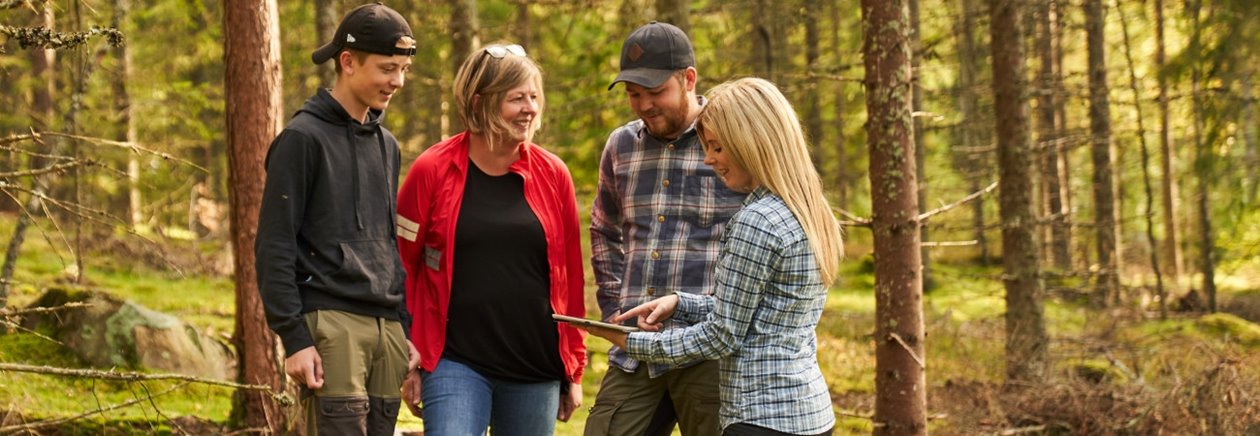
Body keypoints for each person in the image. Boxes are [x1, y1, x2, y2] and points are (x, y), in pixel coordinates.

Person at [582, 78, 843, 436]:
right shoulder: (805, 209)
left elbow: (723, 334)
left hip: (760, 419)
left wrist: (635, 342)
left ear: (752, 143)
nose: (709, 159)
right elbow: (756, 311)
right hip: (807, 413)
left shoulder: (758, 221)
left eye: (718, 147)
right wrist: (680, 303)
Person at [395, 42, 587, 435]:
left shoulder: (554, 174)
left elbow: (569, 276)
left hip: (534, 366)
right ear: (481, 102)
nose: (530, 108)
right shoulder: (432, 169)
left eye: (534, 97)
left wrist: (573, 366)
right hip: (453, 361)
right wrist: (408, 351)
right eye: (517, 98)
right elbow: (401, 267)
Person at [254, 3, 419, 435]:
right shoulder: (300, 140)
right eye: (387, 68)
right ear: (347, 62)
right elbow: (274, 245)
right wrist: (294, 337)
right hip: (331, 325)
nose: (397, 82)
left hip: (386, 331)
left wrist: (403, 327)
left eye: (402, 69)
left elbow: (387, 244)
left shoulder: (388, 145)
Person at [587, 21, 746, 436]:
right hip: (637, 350)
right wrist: (613, 313)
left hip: (711, 352)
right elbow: (604, 229)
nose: (643, 104)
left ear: (688, 78)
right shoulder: (620, 146)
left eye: (656, 92)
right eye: (633, 94)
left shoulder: (732, 140)